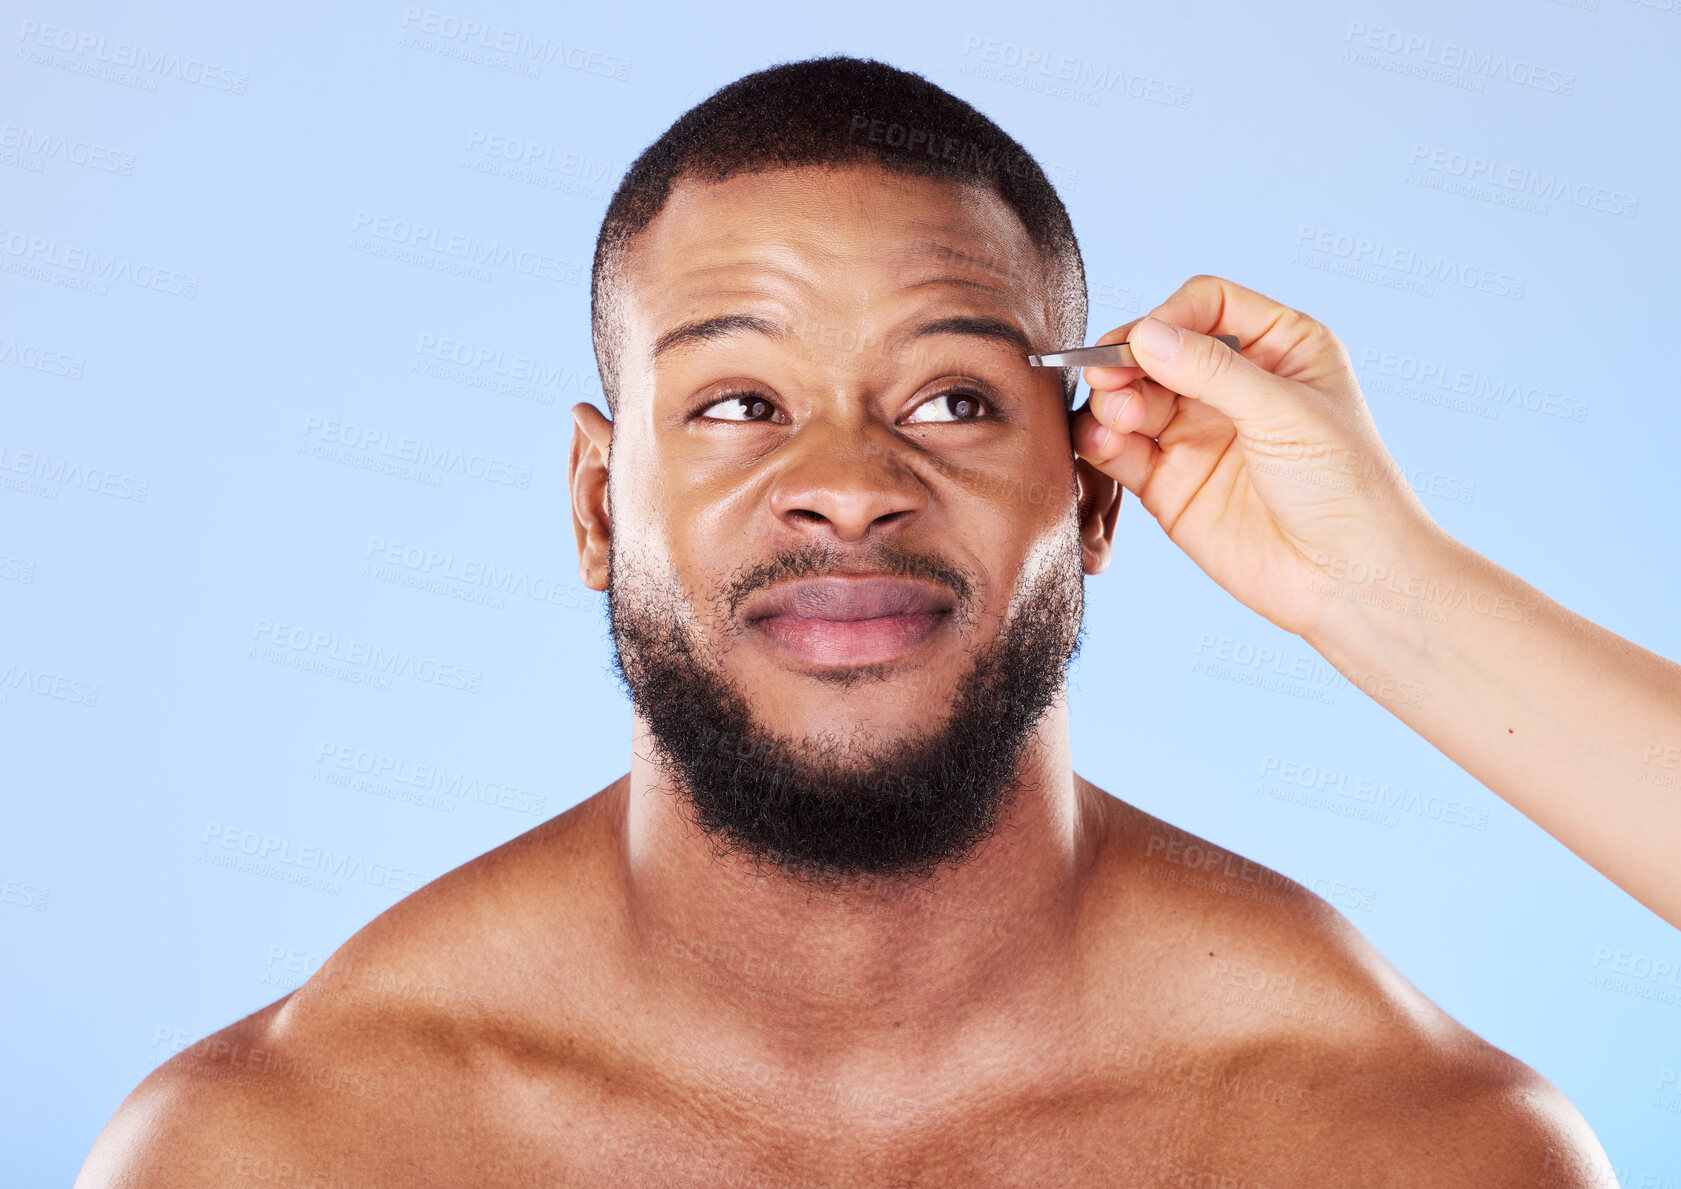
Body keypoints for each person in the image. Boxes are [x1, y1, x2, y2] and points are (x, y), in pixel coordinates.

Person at [77, 56, 1635, 1187]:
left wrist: (1382, 588)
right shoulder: (289, 1151)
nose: (844, 485)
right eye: (741, 401)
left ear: (1094, 502)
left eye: (954, 397)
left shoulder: (1402, 1148)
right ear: (593, 499)